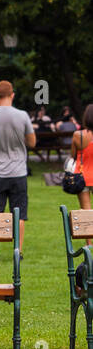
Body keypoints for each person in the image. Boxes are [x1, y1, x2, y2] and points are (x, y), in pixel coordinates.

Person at [0, 80, 36, 261]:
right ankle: (17, 251)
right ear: (13, 95)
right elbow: (32, 142)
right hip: (18, 171)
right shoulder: (22, 115)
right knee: (19, 213)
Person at [69, 104, 93, 246]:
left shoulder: (79, 135)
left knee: (86, 211)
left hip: (82, 176)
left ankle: (89, 243)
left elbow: (73, 155)